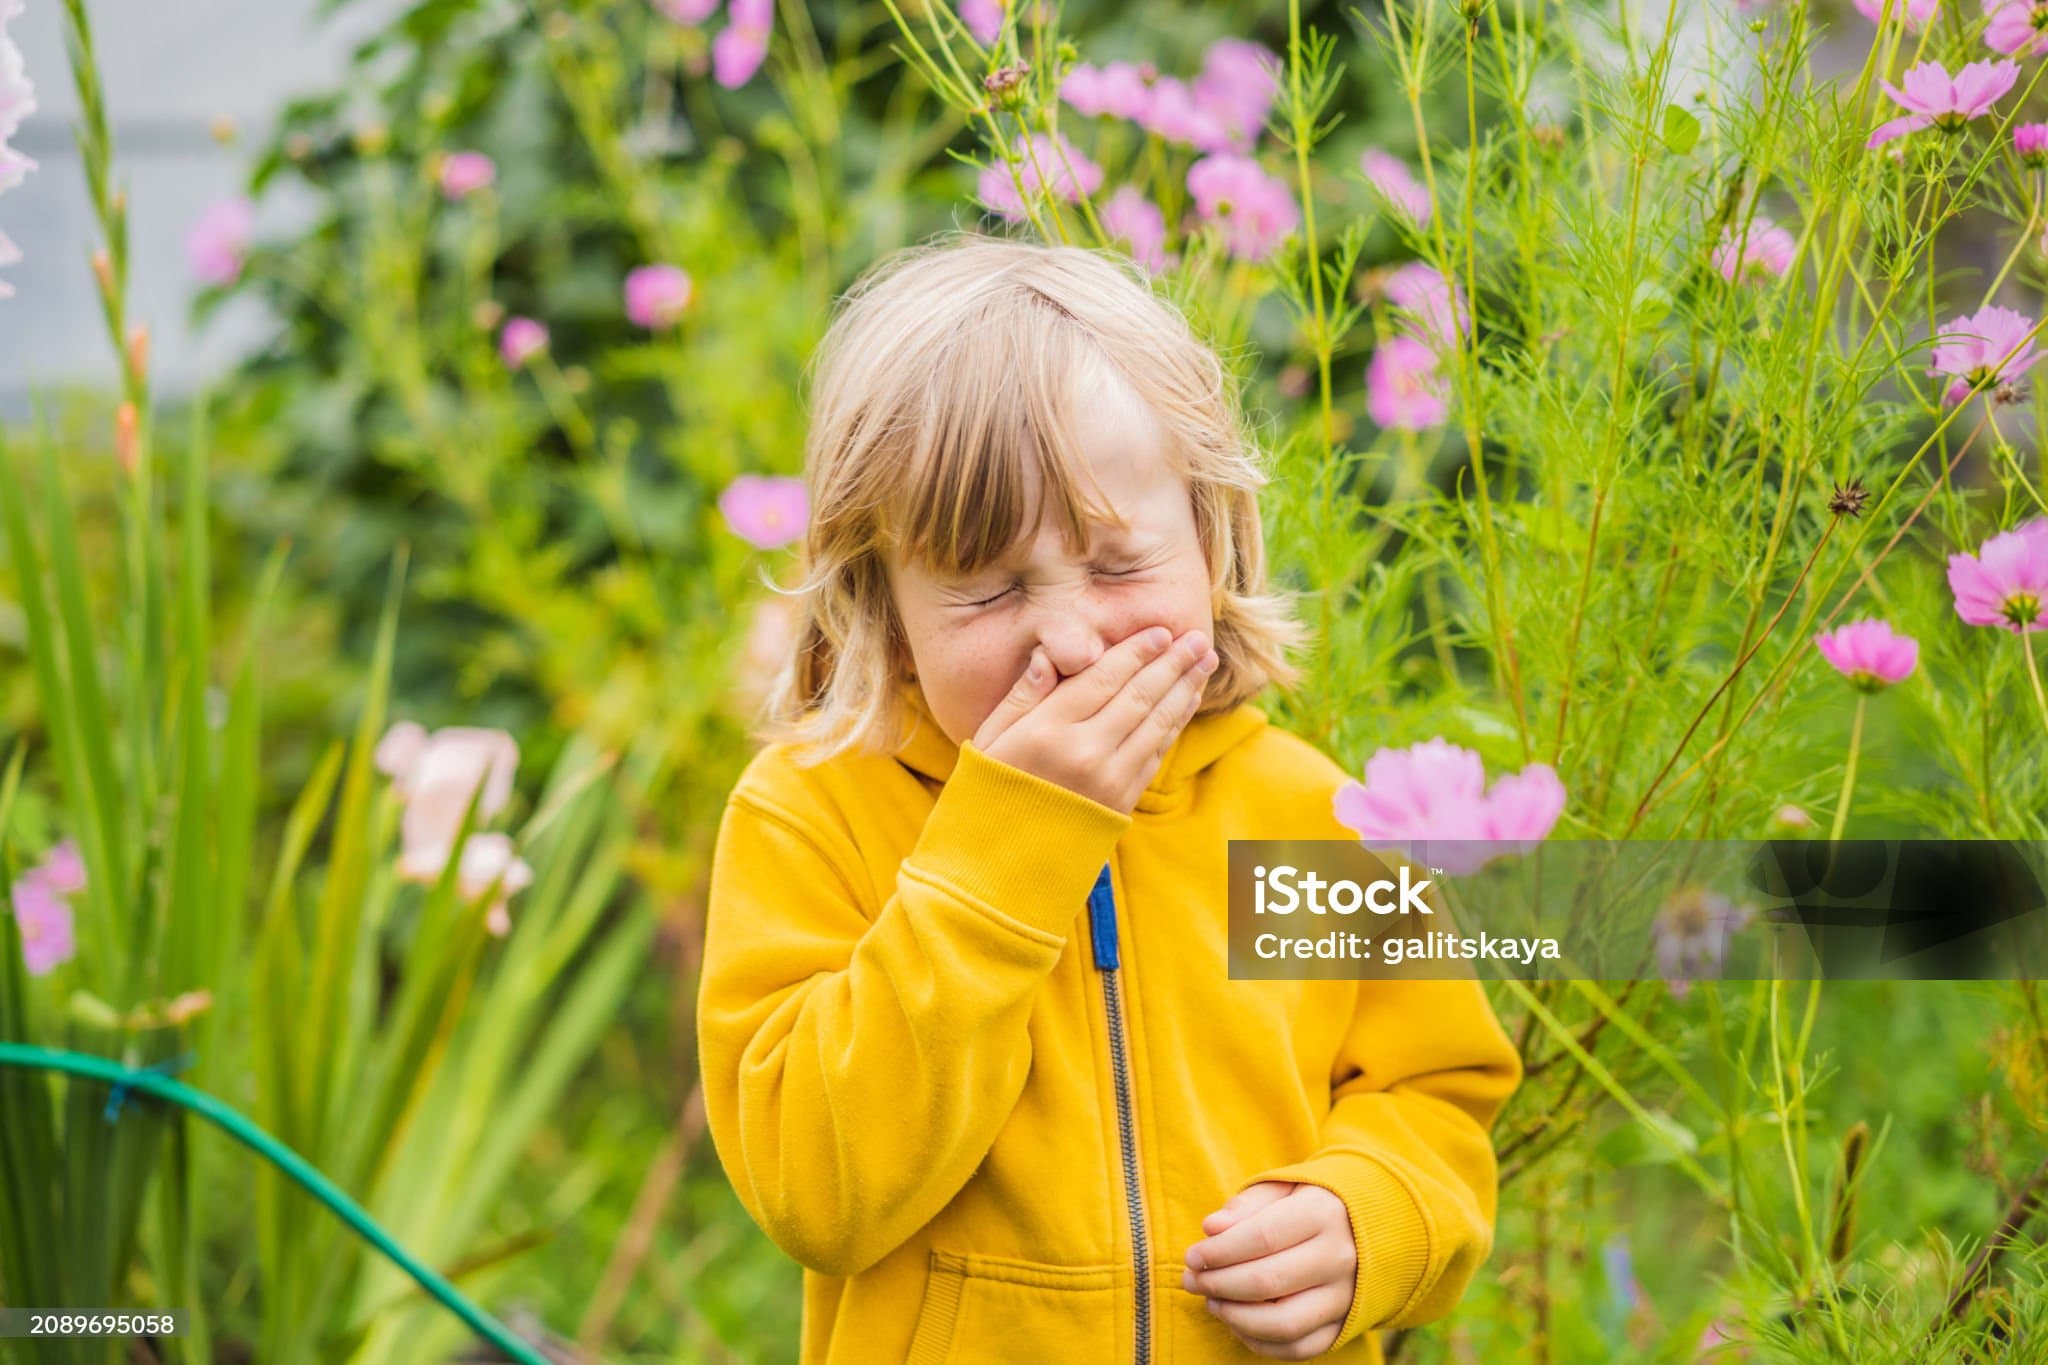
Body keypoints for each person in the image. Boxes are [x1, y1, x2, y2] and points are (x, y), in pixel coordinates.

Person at [697, 231, 1523, 1364]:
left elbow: (1431, 1098)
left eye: (1121, 565)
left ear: (1212, 542)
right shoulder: (814, 815)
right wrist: (1007, 849)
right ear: (880, 607)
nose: (1073, 639)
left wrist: (1364, 1216)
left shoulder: (1300, 818)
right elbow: (821, 1192)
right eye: (987, 589)